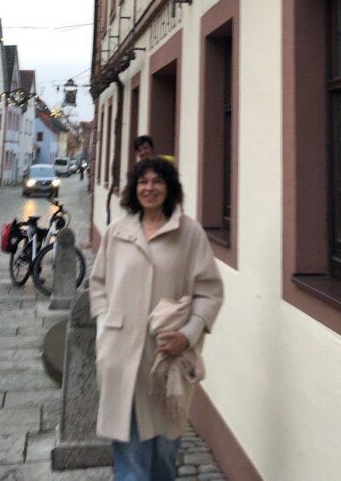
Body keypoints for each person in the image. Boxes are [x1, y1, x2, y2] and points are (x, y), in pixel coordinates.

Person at [88, 156, 222, 481]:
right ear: (134, 189)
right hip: (122, 357)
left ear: (169, 188)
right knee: (130, 457)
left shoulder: (189, 234)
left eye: (157, 182)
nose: (150, 188)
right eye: (143, 182)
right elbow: (98, 284)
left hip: (166, 361)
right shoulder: (118, 232)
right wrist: (106, 323)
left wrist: (188, 335)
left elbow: (209, 292)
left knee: (164, 455)